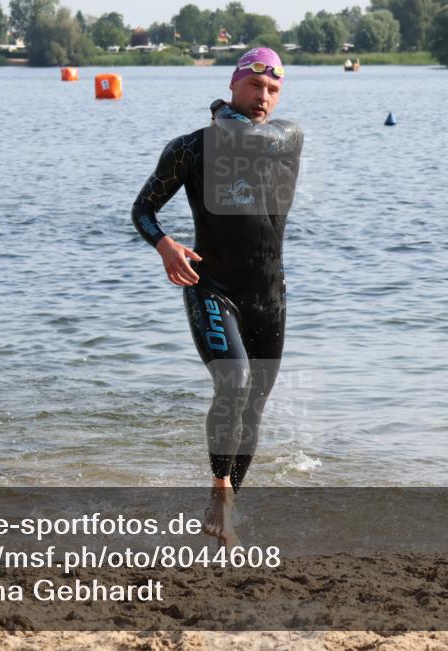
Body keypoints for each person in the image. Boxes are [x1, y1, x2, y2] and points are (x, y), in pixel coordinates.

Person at [131, 47, 303, 547]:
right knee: (234, 381)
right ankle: (219, 493)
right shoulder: (189, 149)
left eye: (273, 89)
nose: (264, 97)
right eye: (255, 86)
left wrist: (223, 116)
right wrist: (164, 245)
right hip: (214, 287)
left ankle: (228, 516)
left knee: (253, 408)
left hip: (269, 294)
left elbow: (247, 136)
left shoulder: (285, 137)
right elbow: (143, 209)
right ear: (233, 84)